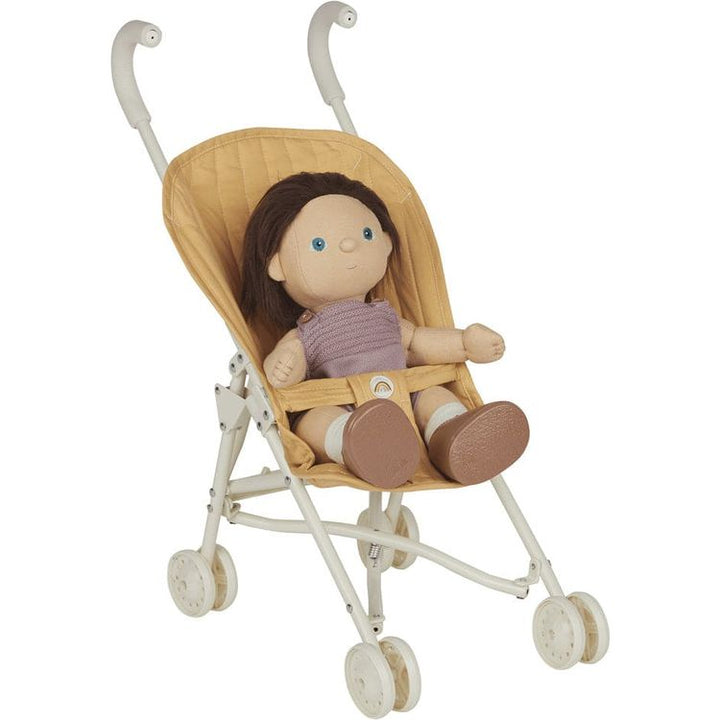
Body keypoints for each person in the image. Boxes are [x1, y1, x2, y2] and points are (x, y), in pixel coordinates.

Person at [239, 172, 529, 489]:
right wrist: (283, 365)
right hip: (342, 409)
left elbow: (417, 344)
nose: (349, 245)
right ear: (278, 266)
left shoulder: (386, 317)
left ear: (386, 244)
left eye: (366, 234)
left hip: (407, 400)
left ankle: (455, 437)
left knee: (434, 396)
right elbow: (287, 364)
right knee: (315, 420)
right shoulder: (307, 332)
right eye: (319, 244)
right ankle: (355, 444)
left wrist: (464, 343)